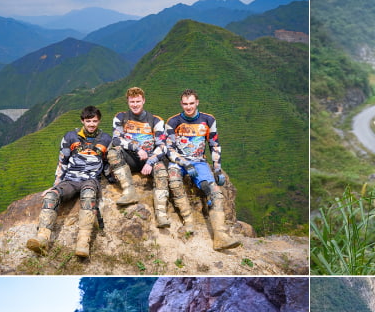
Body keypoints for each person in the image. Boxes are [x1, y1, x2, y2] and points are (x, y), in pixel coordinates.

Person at [27, 105, 111, 258]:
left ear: (99, 121)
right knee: (51, 196)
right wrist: (55, 185)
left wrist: (113, 183)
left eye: (94, 121)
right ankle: (42, 239)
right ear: (82, 121)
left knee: (88, 196)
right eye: (88, 121)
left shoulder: (106, 139)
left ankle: (83, 243)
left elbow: (107, 164)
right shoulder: (70, 137)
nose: (91, 124)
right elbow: (62, 162)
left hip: (91, 179)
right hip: (70, 179)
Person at [109, 87, 195, 232]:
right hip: (130, 156)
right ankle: (129, 192)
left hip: (149, 158)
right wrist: (136, 148)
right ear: (128, 102)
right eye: (132, 102)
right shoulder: (120, 117)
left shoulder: (156, 121)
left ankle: (161, 214)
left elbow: (162, 145)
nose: (135, 104)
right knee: (112, 152)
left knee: (161, 171)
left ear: (143, 101)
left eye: (138, 101)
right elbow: (116, 140)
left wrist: (150, 161)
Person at [165, 89, 240, 250]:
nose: (188, 107)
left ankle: (220, 236)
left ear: (197, 102)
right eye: (185, 104)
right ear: (181, 104)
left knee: (215, 193)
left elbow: (214, 144)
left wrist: (218, 169)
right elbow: (168, 149)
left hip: (199, 161)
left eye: (191, 103)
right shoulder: (173, 122)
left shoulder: (208, 120)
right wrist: (184, 163)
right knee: (174, 180)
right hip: (178, 161)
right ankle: (189, 222)